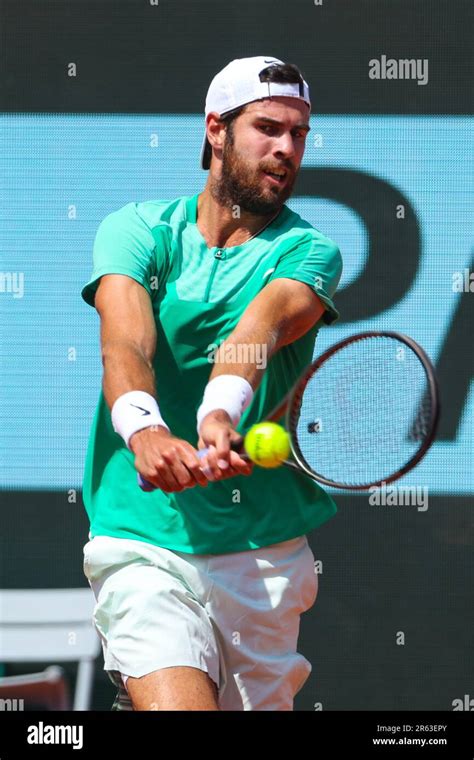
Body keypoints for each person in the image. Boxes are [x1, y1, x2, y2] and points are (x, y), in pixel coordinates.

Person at [80, 56, 343, 711]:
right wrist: (144, 430)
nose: (287, 148)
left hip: (263, 556)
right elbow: (125, 342)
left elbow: (257, 330)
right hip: (142, 537)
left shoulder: (311, 251)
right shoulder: (138, 230)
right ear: (216, 130)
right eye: (268, 128)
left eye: (300, 133)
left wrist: (217, 417)